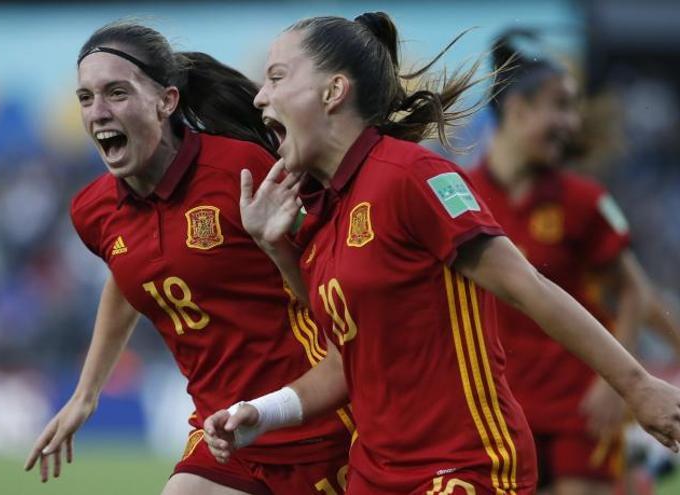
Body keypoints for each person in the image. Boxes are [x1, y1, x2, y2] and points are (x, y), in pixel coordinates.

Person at [201, 12, 680, 495]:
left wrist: (636, 386)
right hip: (374, 475)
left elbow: (527, 286)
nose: (260, 95)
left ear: (333, 91)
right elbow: (346, 360)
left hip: (464, 469)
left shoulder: (412, 175)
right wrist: (263, 413)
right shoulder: (321, 215)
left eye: (277, 77)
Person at [22, 22, 353, 495]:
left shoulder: (242, 170)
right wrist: (86, 394)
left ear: (167, 101)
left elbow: (328, 275)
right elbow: (131, 275)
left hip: (318, 422)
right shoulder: (92, 210)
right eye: (85, 97)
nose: (98, 112)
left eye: (116, 93)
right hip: (223, 434)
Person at [468, 29, 680, 495]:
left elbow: (635, 293)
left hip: (577, 406)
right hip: (497, 407)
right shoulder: (460, 197)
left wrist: (617, 384)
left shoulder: (584, 201)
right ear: (518, 111)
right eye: (560, 106)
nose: (572, 121)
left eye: (575, 107)